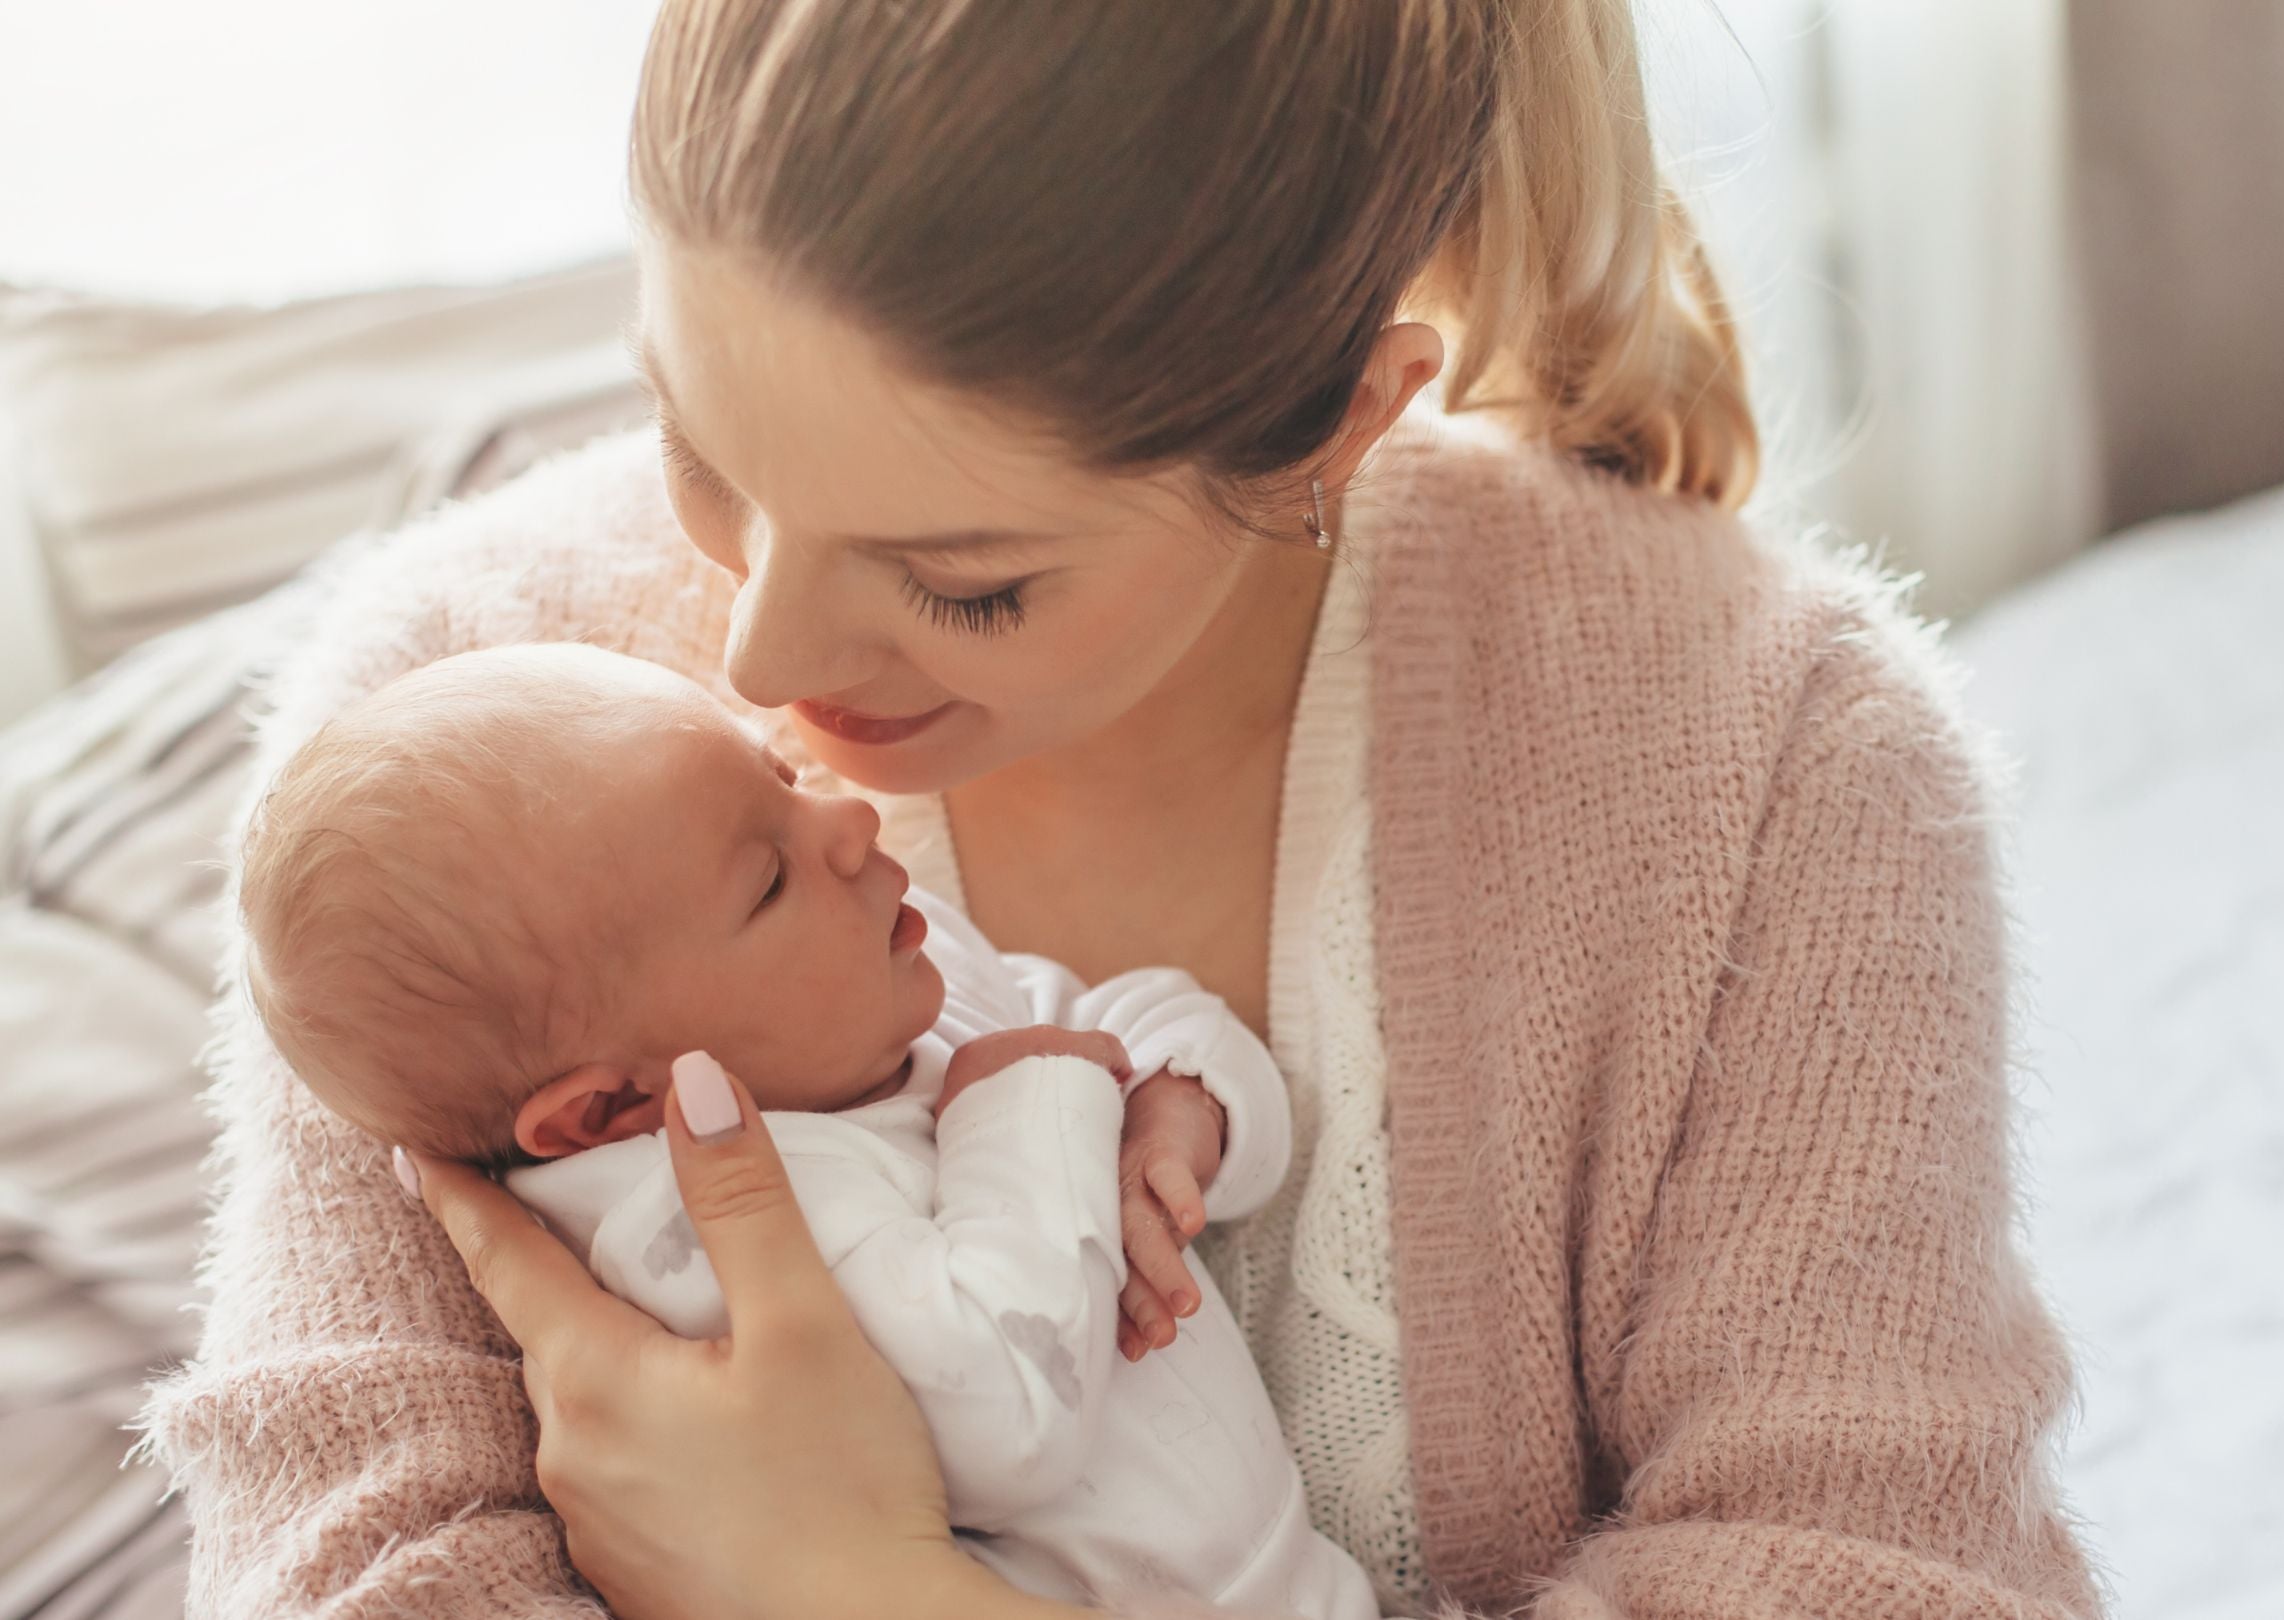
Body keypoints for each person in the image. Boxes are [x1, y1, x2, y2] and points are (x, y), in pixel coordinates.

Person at [144, 2, 2104, 1617]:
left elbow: (1871, 1570)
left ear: (1346, 414)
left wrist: (866, 1595)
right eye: (700, 445)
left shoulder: (1780, 768)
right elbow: (356, 1560)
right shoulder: (456, 732)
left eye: (963, 578)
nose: (755, 657)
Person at [232, 642, 1377, 1616]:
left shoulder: (883, 1003)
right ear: (610, 1109)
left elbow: (1123, 1018)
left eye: (779, 773)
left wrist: (1179, 1107)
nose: (846, 819)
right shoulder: (701, 1233)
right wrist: (1025, 1101)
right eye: (767, 880)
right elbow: (1008, 1421)